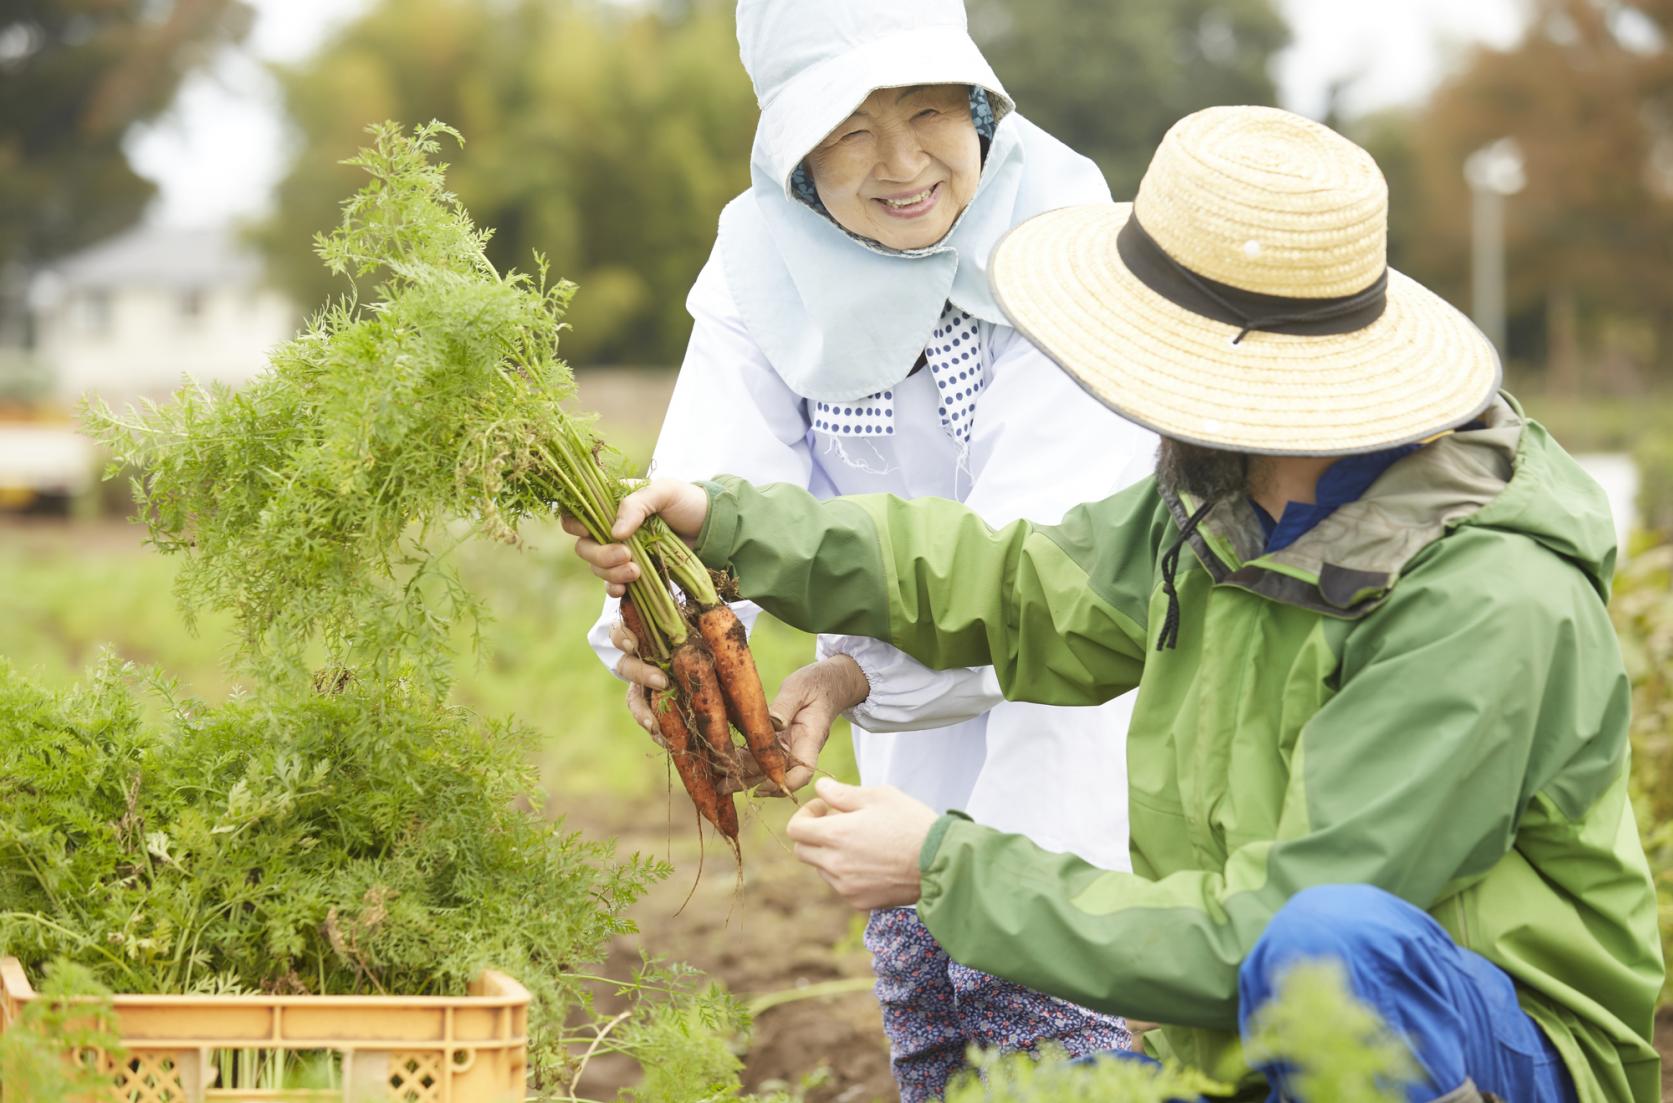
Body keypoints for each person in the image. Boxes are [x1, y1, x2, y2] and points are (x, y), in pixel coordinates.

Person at [572, 106, 1664, 1102]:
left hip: (1500, 1044)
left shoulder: (1481, 597)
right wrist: (732, 526)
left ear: (1238, 371)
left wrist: (944, 864)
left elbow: (1272, 924)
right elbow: (1012, 583)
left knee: (1331, 942)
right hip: (1257, 1030)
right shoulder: (1226, 501)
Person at [580, 0, 1155, 1094]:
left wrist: (849, 673)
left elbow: (1040, 573)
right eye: (846, 130)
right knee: (933, 1004)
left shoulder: (1072, 244)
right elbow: (714, 489)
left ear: (983, 103)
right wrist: (668, 652)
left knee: (1058, 1000)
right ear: (791, 155)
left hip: (1091, 699)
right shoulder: (764, 258)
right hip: (908, 726)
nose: (899, 165)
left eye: (930, 111)